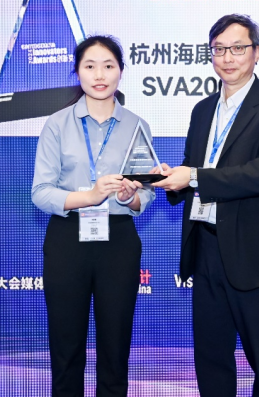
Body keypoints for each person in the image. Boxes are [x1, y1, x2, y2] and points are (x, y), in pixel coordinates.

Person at [152, 14, 259, 397]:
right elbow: (194, 167)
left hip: (257, 253)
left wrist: (193, 176)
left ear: (256, 52)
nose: (227, 57)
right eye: (219, 49)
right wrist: (171, 179)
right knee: (211, 361)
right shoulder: (203, 110)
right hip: (206, 247)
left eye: (238, 48)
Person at [32, 35, 155, 397]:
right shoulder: (57, 124)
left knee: (115, 348)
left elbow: (147, 192)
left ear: (121, 71)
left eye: (108, 66)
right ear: (77, 72)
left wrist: (131, 197)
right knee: (66, 348)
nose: (99, 75)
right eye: (90, 66)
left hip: (118, 242)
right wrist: (90, 196)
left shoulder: (136, 125)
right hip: (68, 240)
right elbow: (41, 192)